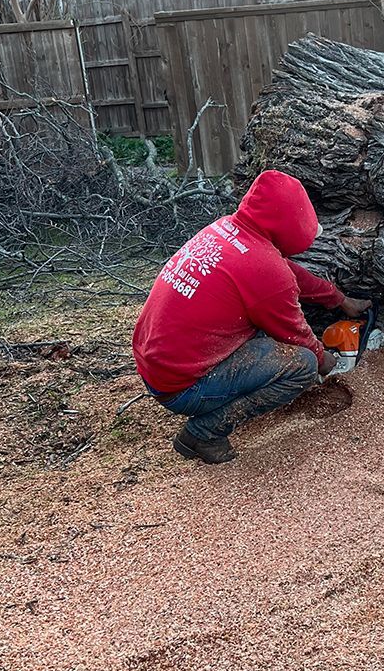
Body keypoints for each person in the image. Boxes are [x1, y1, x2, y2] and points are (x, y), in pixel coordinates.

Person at [132, 168, 371, 464]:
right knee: (303, 365)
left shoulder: (227, 229)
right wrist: (325, 360)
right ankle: (203, 433)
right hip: (180, 386)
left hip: (155, 362)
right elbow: (293, 333)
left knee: (262, 335)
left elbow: (286, 273)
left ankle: (211, 403)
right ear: (291, 227)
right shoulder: (264, 269)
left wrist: (338, 299)